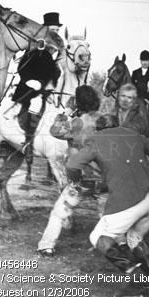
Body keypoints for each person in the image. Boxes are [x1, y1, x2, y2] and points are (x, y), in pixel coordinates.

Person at [66, 114, 149, 296]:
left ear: (98, 129)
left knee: (98, 237)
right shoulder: (133, 134)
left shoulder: (96, 139)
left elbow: (72, 165)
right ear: (117, 125)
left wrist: (76, 183)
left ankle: (136, 279)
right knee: (134, 239)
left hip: (128, 200)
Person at [37, 85, 101, 256]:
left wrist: (66, 111)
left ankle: (46, 245)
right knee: (110, 215)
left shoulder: (77, 123)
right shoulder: (104, 120)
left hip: (81, 179)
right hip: (104, 178)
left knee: (59, 212)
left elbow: (55, 130)